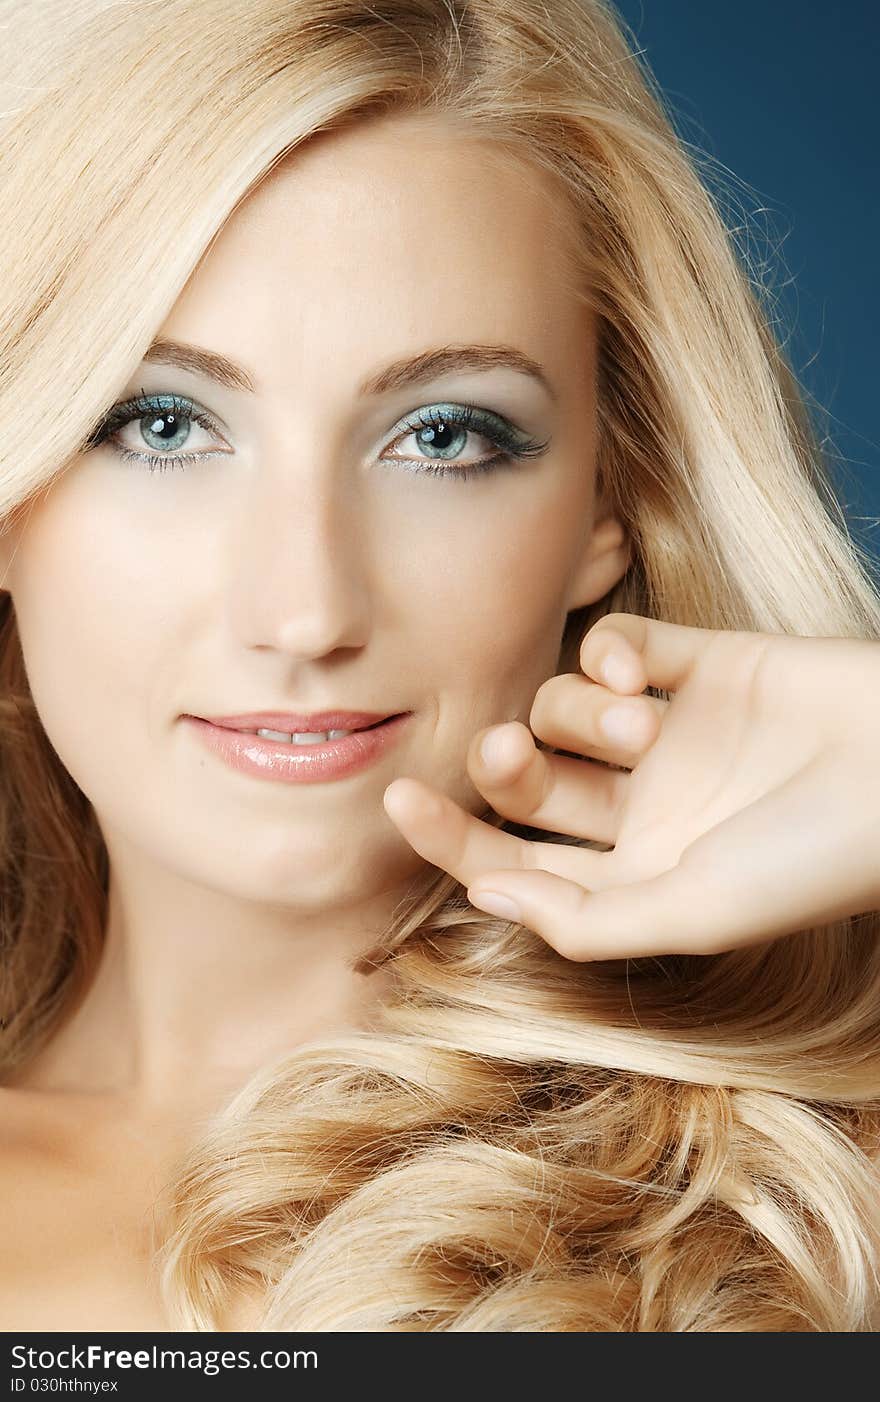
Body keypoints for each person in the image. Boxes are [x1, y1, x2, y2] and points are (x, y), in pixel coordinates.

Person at [1, 0, 879, 1333]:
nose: (304, 610)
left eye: (443, 438)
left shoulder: (814, 1199)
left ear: (608, 501)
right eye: (163, 420)